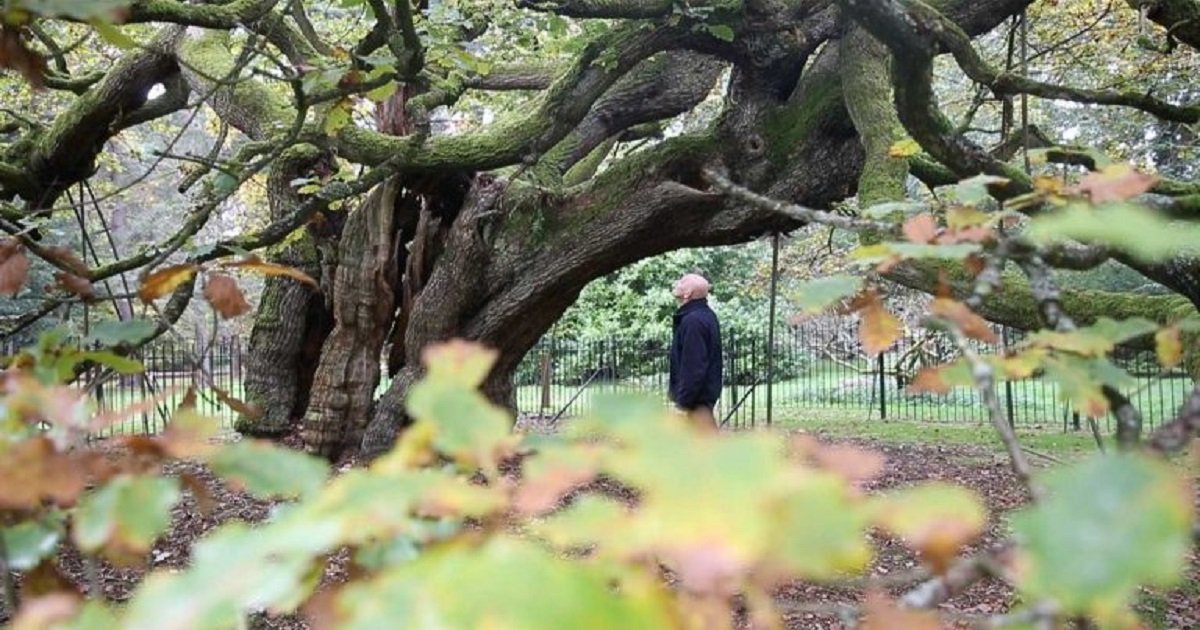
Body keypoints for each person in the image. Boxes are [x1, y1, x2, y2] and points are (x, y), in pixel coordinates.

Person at [668, 273, 723, 431]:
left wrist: (682, 405)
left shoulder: (693, 321)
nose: (677, 283)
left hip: (695, 403)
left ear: (688, 293)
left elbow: (693, 367)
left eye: (682, 282)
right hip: (699, 401)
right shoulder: (704, 316)